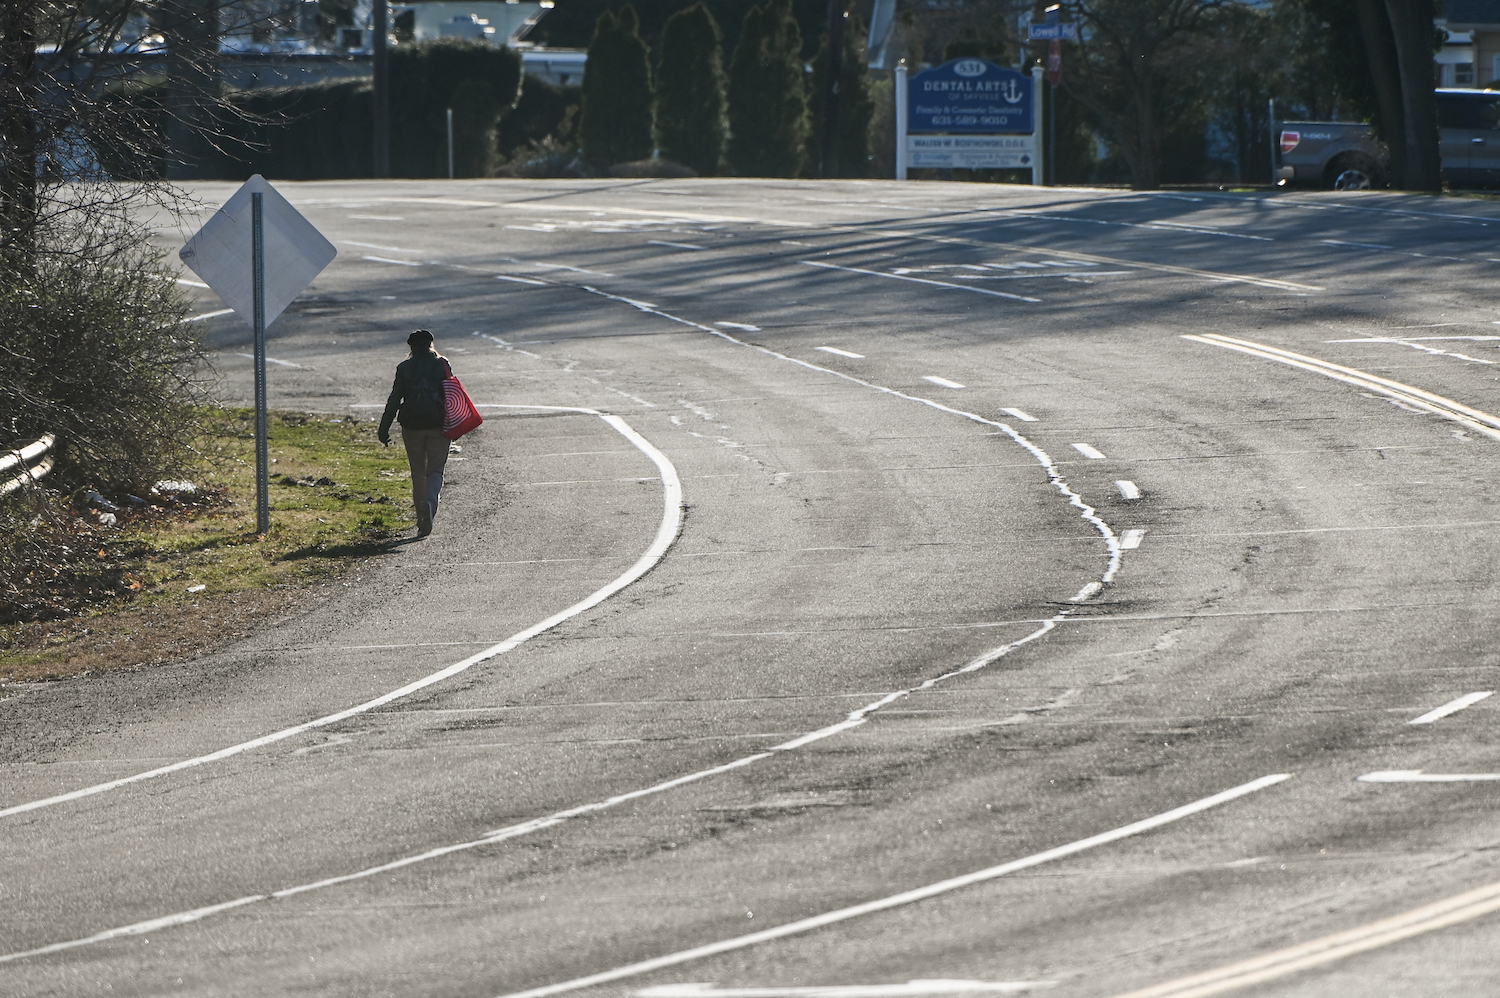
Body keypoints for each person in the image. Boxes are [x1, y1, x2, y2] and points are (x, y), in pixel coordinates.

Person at [378, 329, 452, 538]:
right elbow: (453, 392)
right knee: (435, 471)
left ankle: (422, 519)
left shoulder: (404, 368)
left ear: (411, 347)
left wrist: (383, 427)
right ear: (431, 344)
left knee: (418, 473)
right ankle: (430, 502)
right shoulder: (442, 364)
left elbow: (394, 399)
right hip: (438, 424)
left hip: (412, 425)